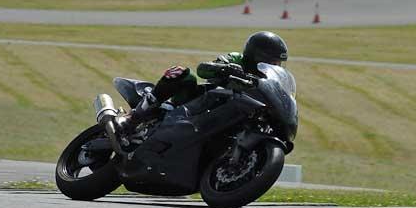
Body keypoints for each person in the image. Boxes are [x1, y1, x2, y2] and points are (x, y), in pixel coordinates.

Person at [117, 31, 288, 128]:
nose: (276, 67)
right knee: (182, 73)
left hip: (229, 117)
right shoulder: (237, 59)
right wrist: (225, 68)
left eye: (278, 63)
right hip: (199, 102)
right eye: (272, 62)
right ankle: (136, 115)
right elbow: (203, 69)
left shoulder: (268, 80)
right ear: (256, 56)